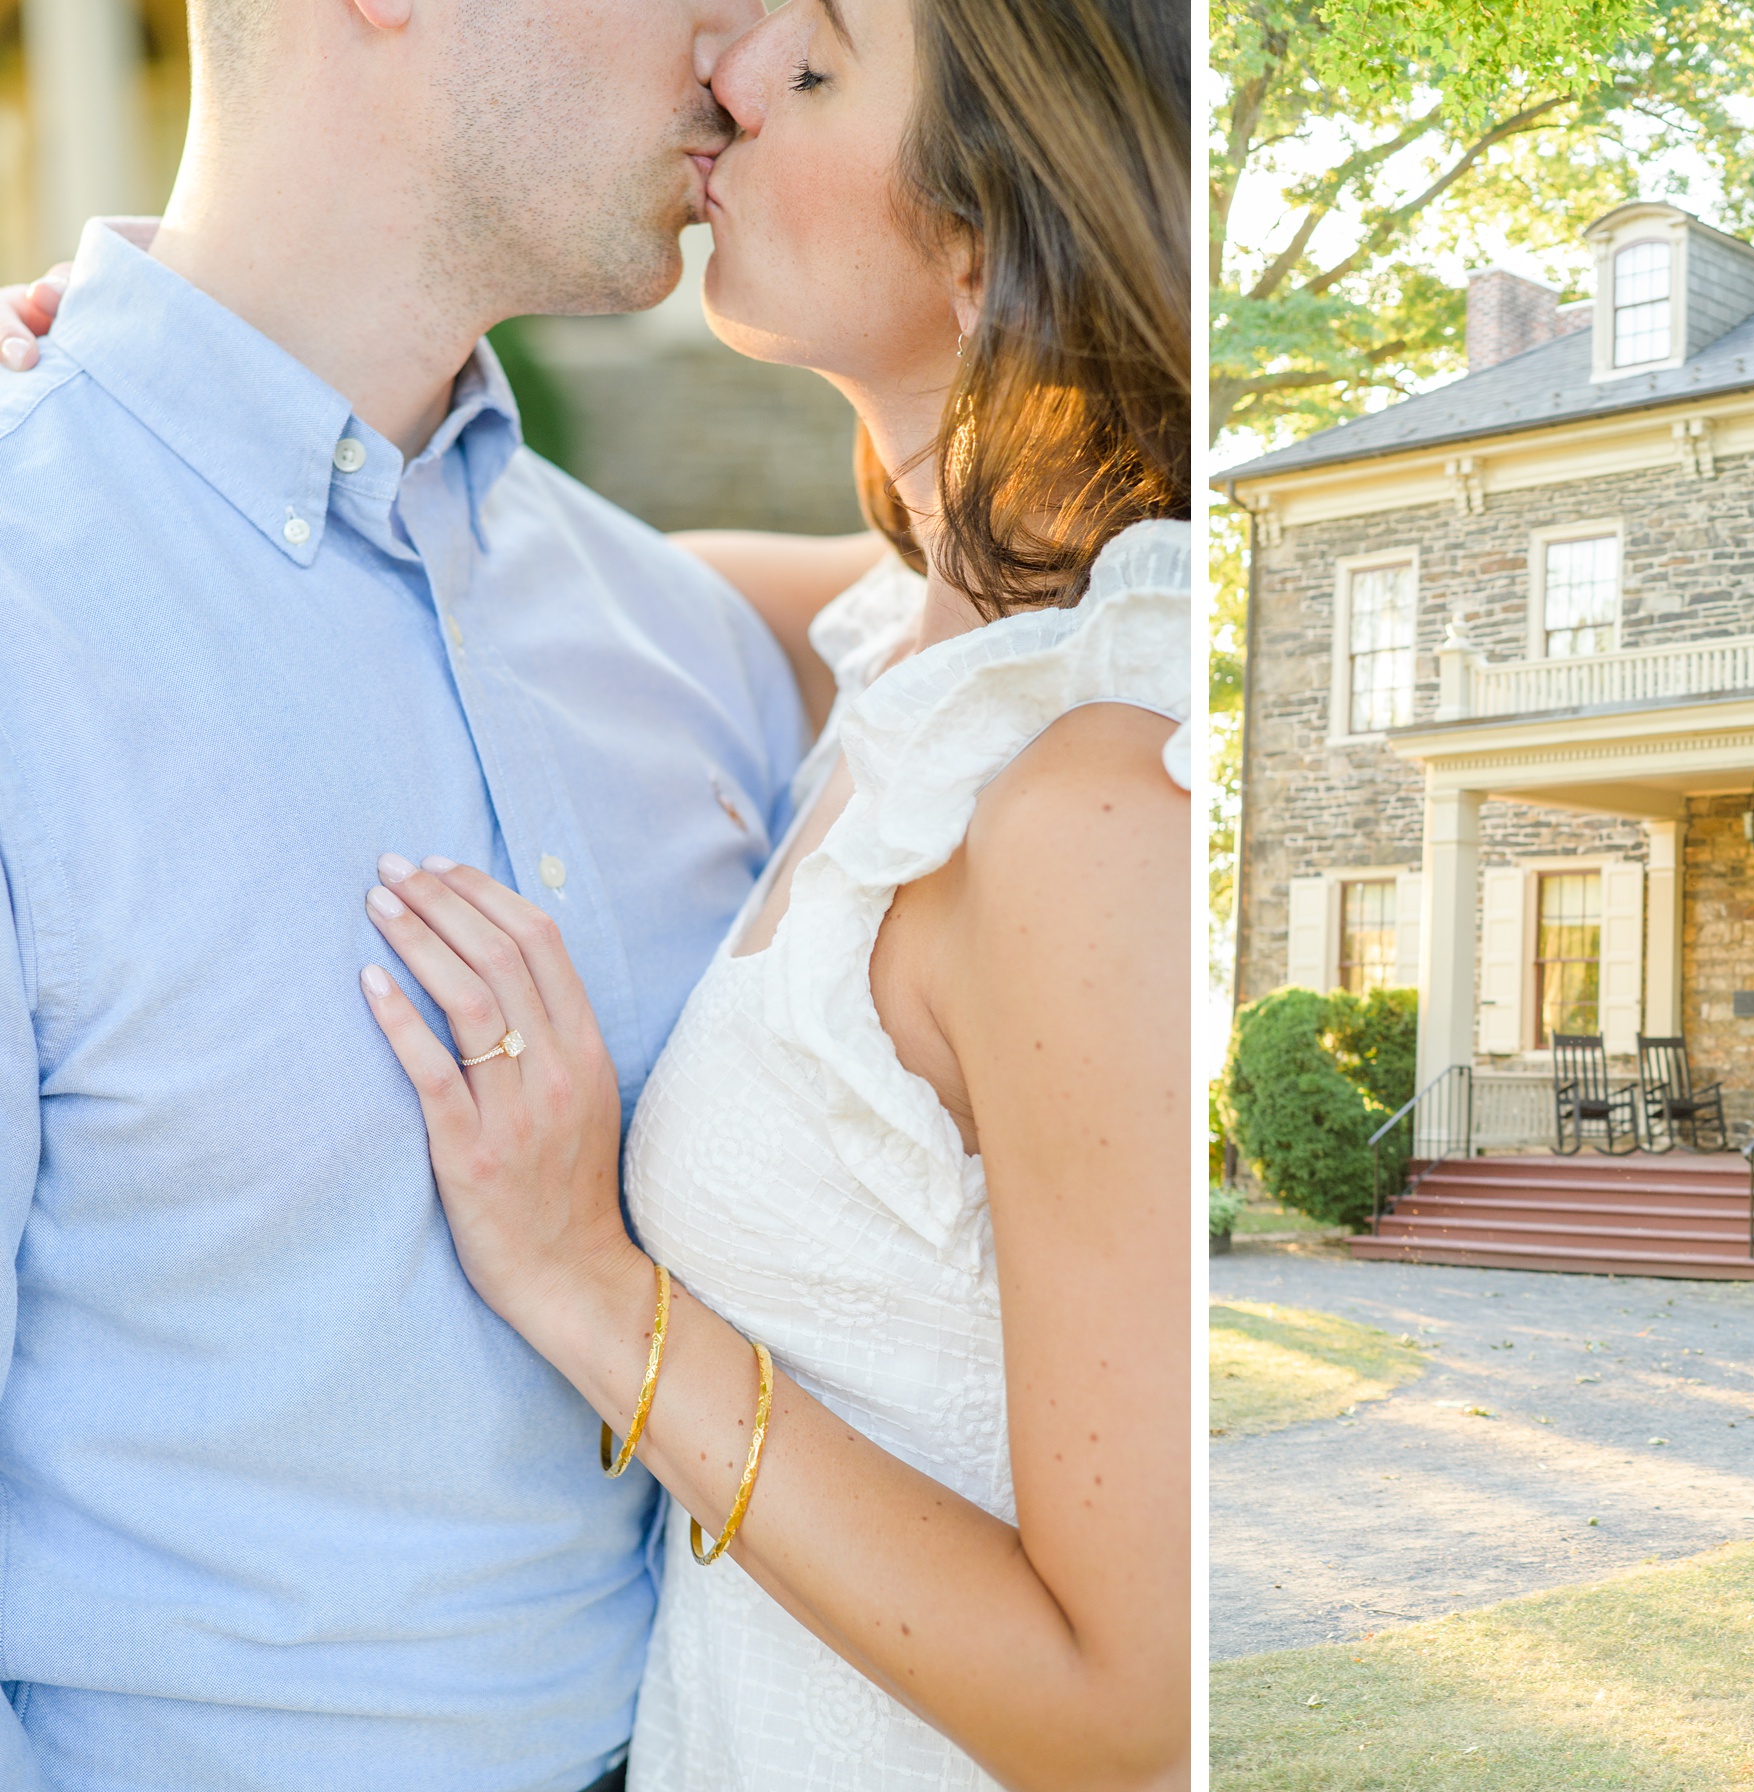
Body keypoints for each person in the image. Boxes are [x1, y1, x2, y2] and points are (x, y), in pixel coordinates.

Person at [0, 1, 1189, 1790]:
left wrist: (583, 1282)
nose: (734, 42)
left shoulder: (683, 644)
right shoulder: (42, 609)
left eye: (811, 57)